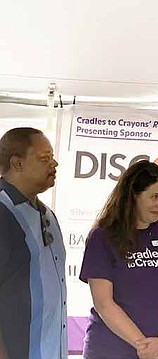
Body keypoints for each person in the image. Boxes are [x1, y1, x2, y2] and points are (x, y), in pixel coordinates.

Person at [79, 160, 158, 359]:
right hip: (111, 351)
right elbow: (104, 303)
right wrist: (144, 346)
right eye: (154, 197)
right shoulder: (103, 237)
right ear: (133, 196)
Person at [0, 127, 66, 359]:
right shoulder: (3, 212)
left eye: (52, 157)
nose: (54, 164)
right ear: (17, 163)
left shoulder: (46, 213)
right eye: (44, 158)